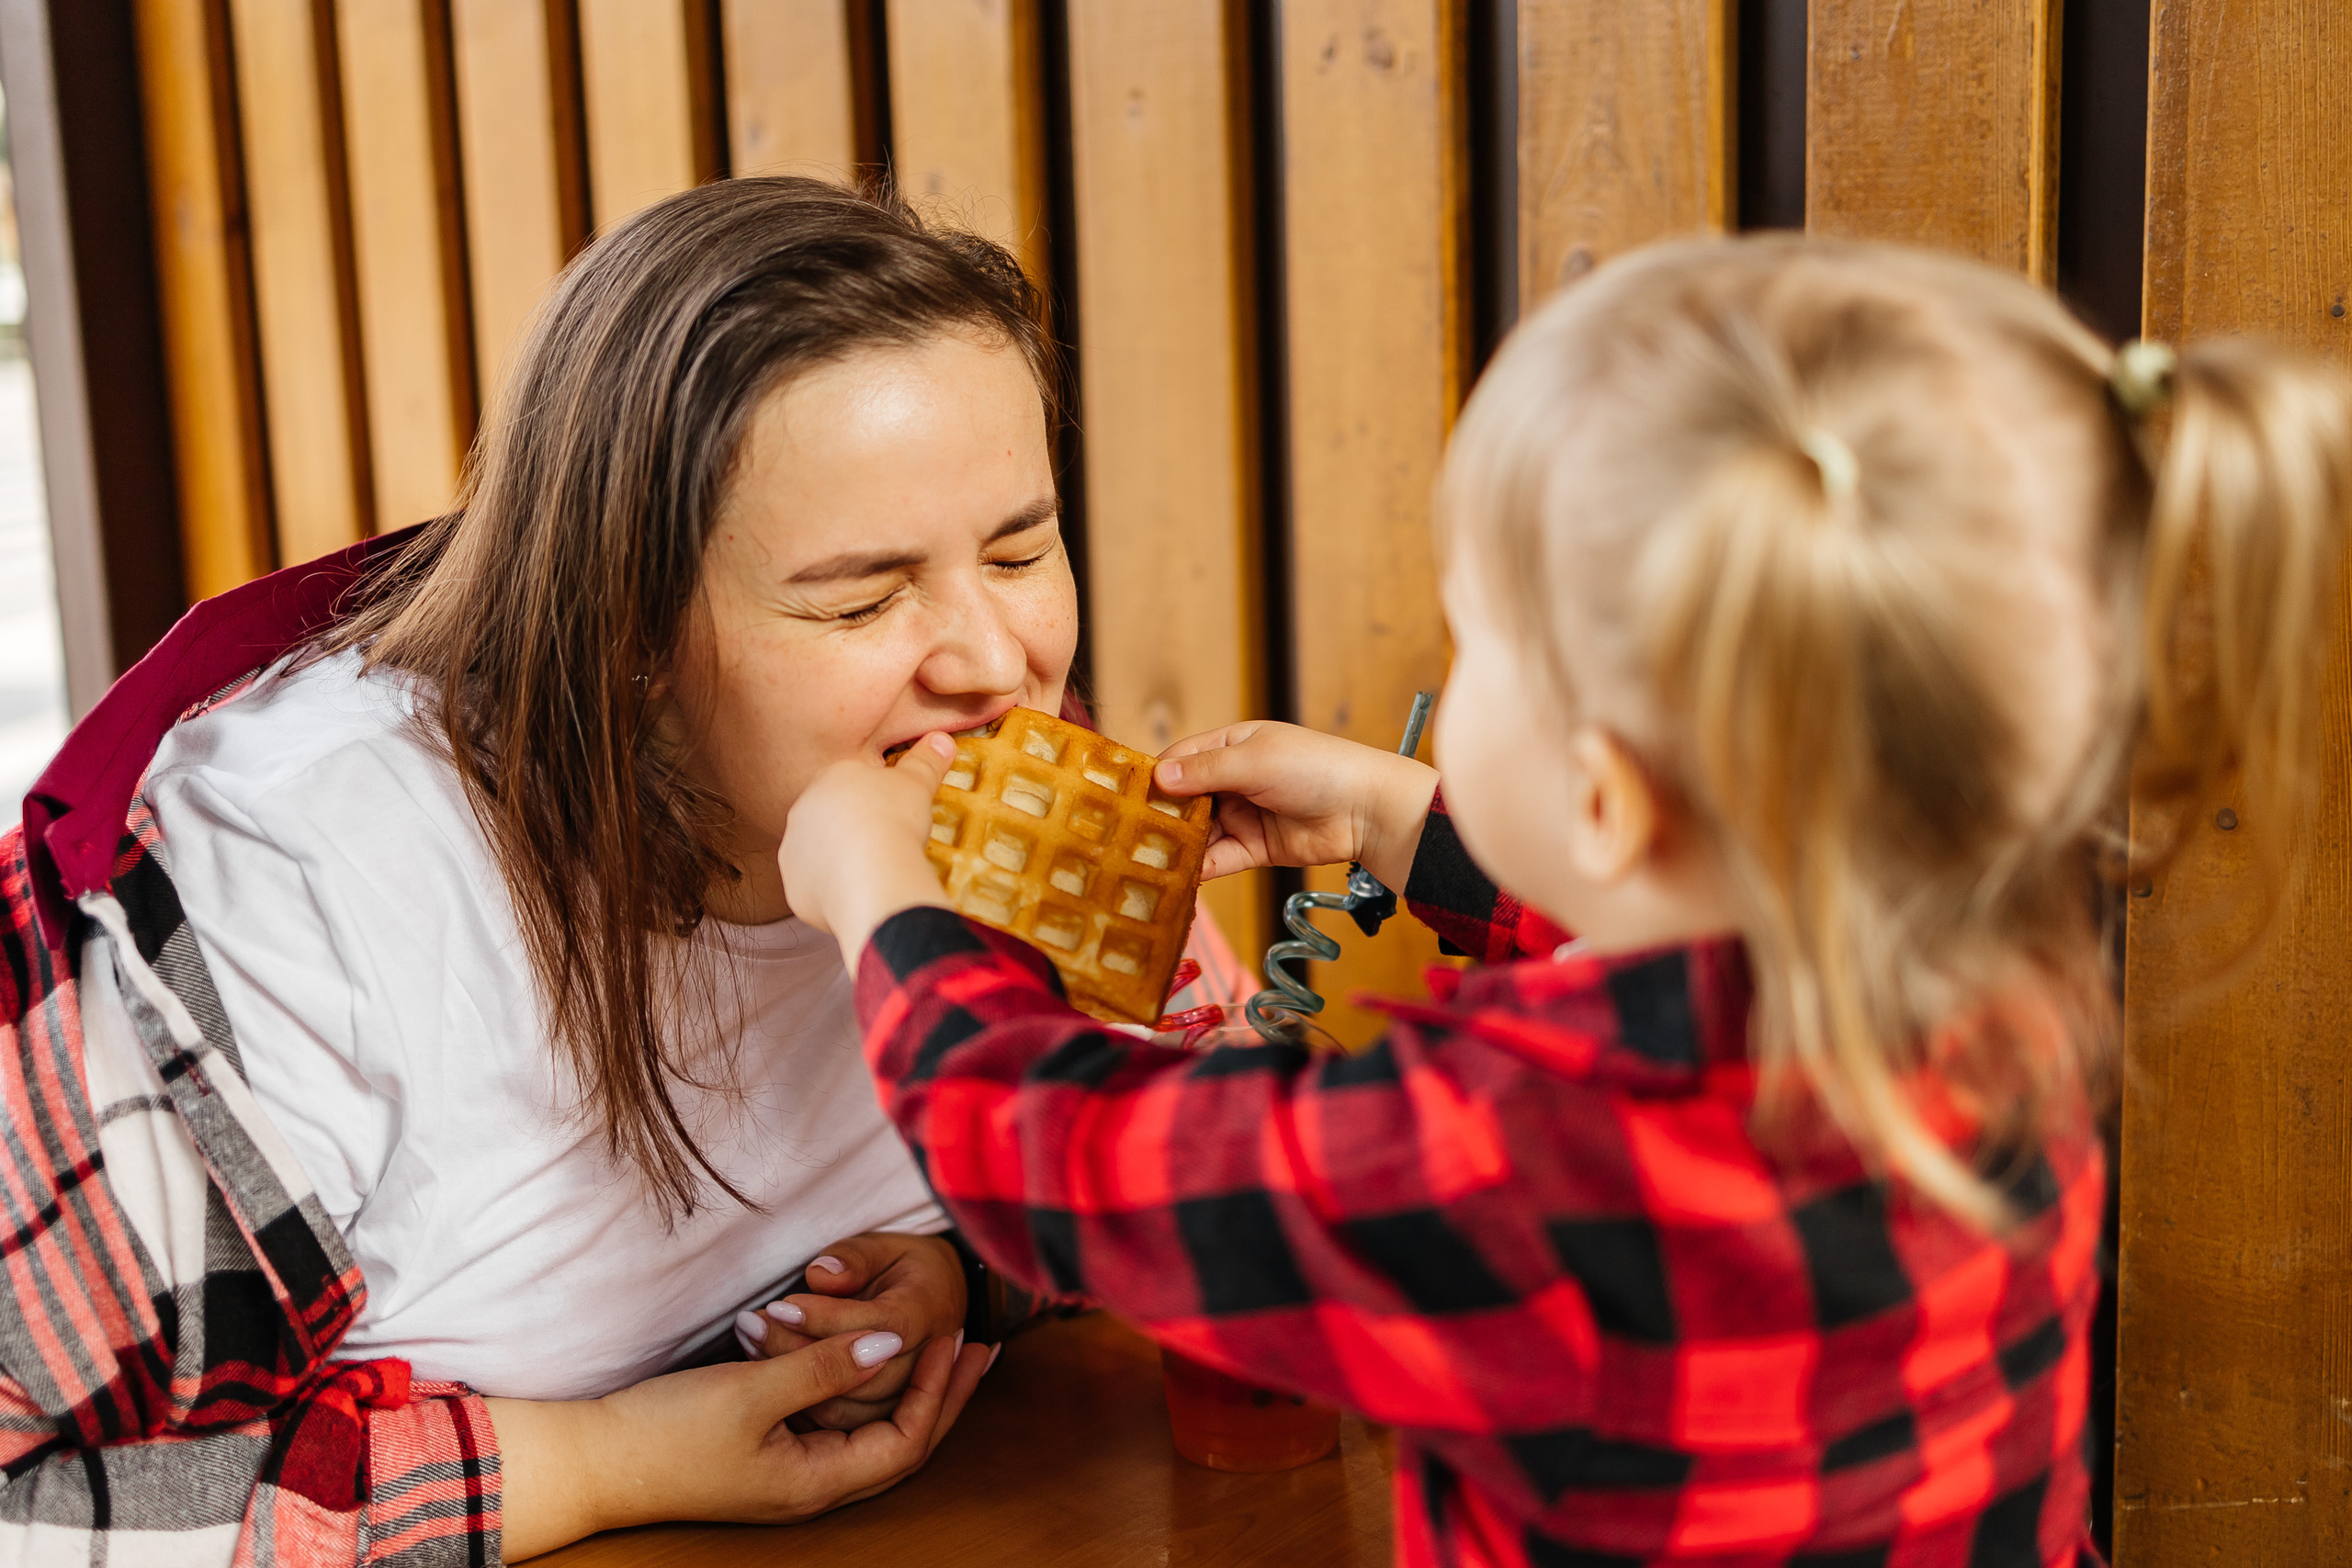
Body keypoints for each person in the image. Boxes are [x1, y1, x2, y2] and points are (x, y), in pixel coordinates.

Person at [777, 236, 2352, 1564]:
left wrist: (891, 900)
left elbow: (1062, 1158)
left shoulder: (1512, 1144)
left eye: (1480, 650)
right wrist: (1404, 825)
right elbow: (1708, 952)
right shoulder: (1996, 983)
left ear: (1605, 793)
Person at [2, 177, 1246, 1564]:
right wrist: (593, 1466)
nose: (992, 662)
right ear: (627, 639)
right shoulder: (283, 900)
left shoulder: (997, 775)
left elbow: (1229, 1167)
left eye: (1020, 549)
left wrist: (971, 1271)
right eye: (861, 598)